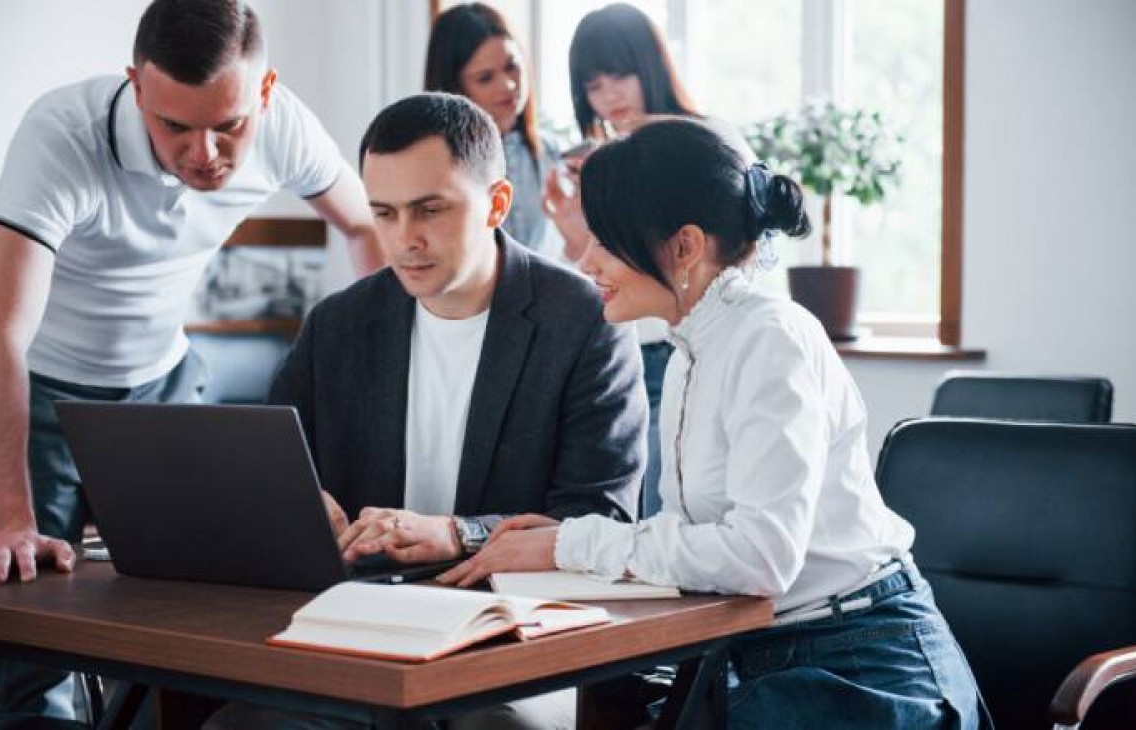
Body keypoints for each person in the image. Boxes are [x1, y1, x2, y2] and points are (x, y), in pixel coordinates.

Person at [440, 119, 992, 729]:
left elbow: (760, 556)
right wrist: (566, 548)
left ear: (685, 247)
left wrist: (570, 543)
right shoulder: (689, 352)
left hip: (860, 667)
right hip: (754, 657)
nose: (586, 260)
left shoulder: (771, 339)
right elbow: (700, 540)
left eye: (607, 241)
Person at [208, 92, 646, 730]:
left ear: (496, 204)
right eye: (383, 213)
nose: (404, 240)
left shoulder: (585, 323)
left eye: (430, 211)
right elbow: (267, 467)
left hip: (515, 635)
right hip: (364, 627)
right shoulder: (338, 325)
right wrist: (301, 505)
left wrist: (457, 533)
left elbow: (601, 519)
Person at [0, 0, 381, 720]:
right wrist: (10, 515)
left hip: (165, 384)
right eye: (175, 126)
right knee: (30, 641)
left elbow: (363, 224)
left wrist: (374, 368)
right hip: (39, 389)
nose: (204, 153)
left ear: (263, 94)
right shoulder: (61, 134)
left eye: (228, 125)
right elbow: (1, 334)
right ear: (136, 86)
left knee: (193, 616)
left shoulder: (286, 126)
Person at [546, 2, 719, 520]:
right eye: (593, 86)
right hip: (619, 356)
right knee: (627, 515)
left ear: (652, 63)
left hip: (683, 352)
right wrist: (573, 230)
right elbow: (591, 276)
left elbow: (714, 260)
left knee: (669, 513)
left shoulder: (704, 142)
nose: (608, 96)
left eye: (619, 74)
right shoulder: (595, 163)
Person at [424, 3, 560, 256]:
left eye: (512, 66)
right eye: (485, 78)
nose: (508, 85)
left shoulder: (552, 153)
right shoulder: (432, 165)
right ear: (454, 88)